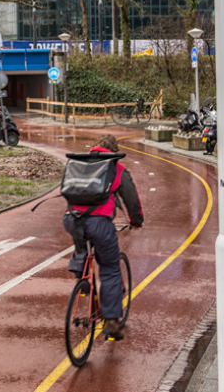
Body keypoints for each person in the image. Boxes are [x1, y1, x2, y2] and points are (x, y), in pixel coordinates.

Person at [63, 134, 144, 341]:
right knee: (109, 269)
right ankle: (111, 323)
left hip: (71, 219)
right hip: (99, 223)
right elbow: (131, 199)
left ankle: (81, 275)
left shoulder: (79, 163)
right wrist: (136, 221)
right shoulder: (116, 168)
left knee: (81, 240)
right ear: (114, 151)